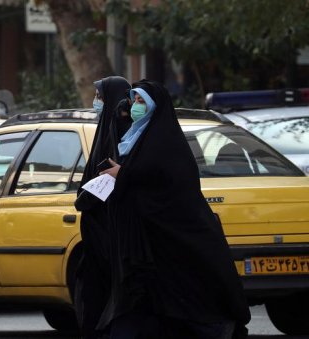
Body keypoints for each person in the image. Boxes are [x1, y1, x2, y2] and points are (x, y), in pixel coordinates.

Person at [76, 79, 250, 338]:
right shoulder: (133, 139)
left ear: (156, 106)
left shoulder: (167, 144)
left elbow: (163, 183)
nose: (135, 107)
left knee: (185, 303)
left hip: (173, 238)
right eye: (134, 100)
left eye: (141, 101)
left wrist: (123, 175)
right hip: (144, 244)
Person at [74, 76, 132, 338]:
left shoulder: (120, 132)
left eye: (100, 96)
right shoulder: (105, 130)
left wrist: (85, 199)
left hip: (110, 232)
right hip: (97, 233)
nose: (96, 101)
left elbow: (111, 178)